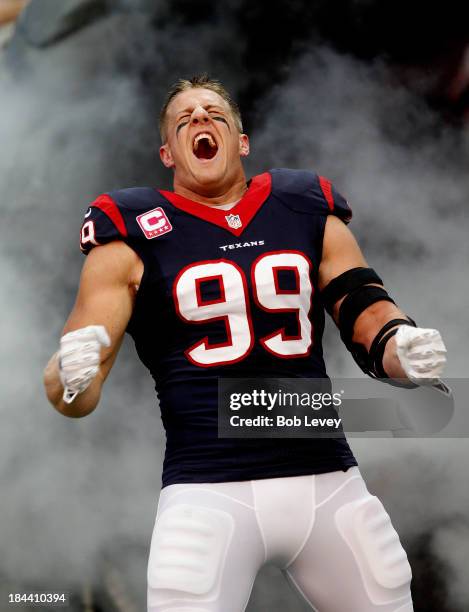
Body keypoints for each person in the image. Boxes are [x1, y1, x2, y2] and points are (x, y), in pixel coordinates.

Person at [44, 74, 447, 612]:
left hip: (326, 479)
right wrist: (69, 378)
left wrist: (401, 344)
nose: (200, 121)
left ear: (242, 140)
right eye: (183, 119)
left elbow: (364, 308)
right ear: (168, 153)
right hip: (209, 487)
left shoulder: (302, 206)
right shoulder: (130, 232)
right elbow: (77, 385)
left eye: (213, 112)